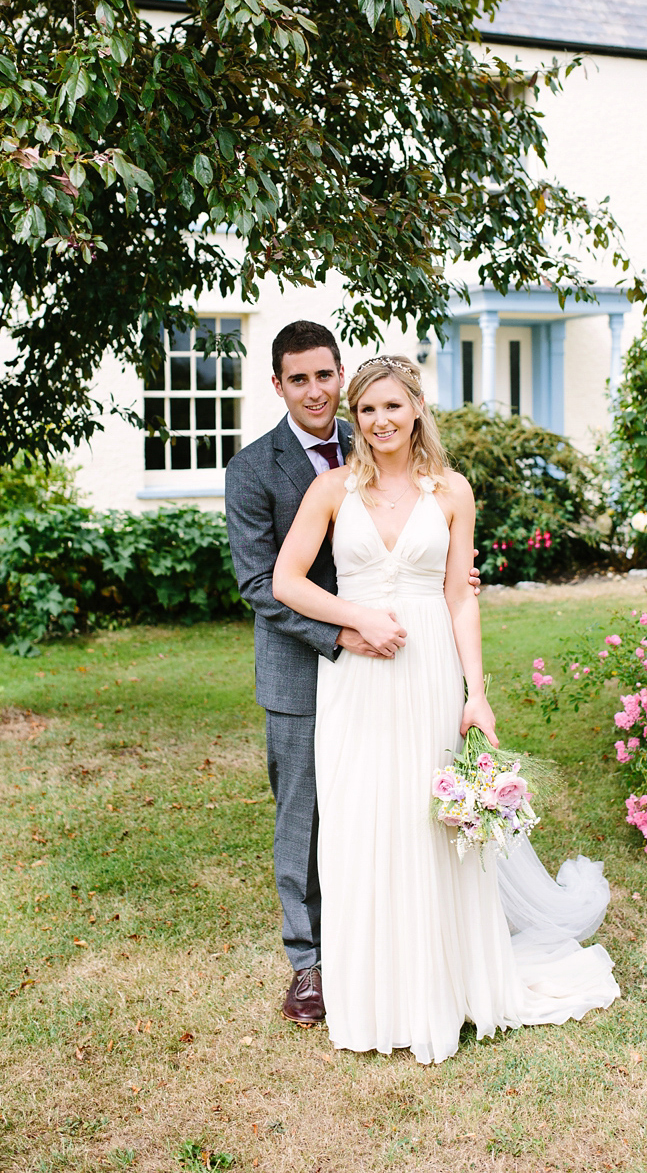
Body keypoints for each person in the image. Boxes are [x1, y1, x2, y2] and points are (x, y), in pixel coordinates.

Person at [273, 354, 620, 1063]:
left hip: (429, 666)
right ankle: (375, 996)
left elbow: (460, 597)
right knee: (363, 820)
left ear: (418, 408)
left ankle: (444, 986)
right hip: (359, 677)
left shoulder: (452, 490)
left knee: (431, 827)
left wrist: (477, 693)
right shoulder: (332, 488)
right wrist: (356, 618)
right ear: (355, 417)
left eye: (393, 407)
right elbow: (285, 581)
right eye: (367, 410)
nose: (381, 422)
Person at [224, 323, 480, 1028]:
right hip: (304, 665)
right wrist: (345, 629)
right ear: (278, 385)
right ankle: (311, 964)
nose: (315, 390)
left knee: (395, 808)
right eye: (297, 379)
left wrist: (438, 574)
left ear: (343, 378)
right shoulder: (253, 469)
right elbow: (259, 583)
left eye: (324, 376)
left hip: (404, 662)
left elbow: (426, 548)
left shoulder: (379, 436)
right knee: (308, 818)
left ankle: (401, 946)